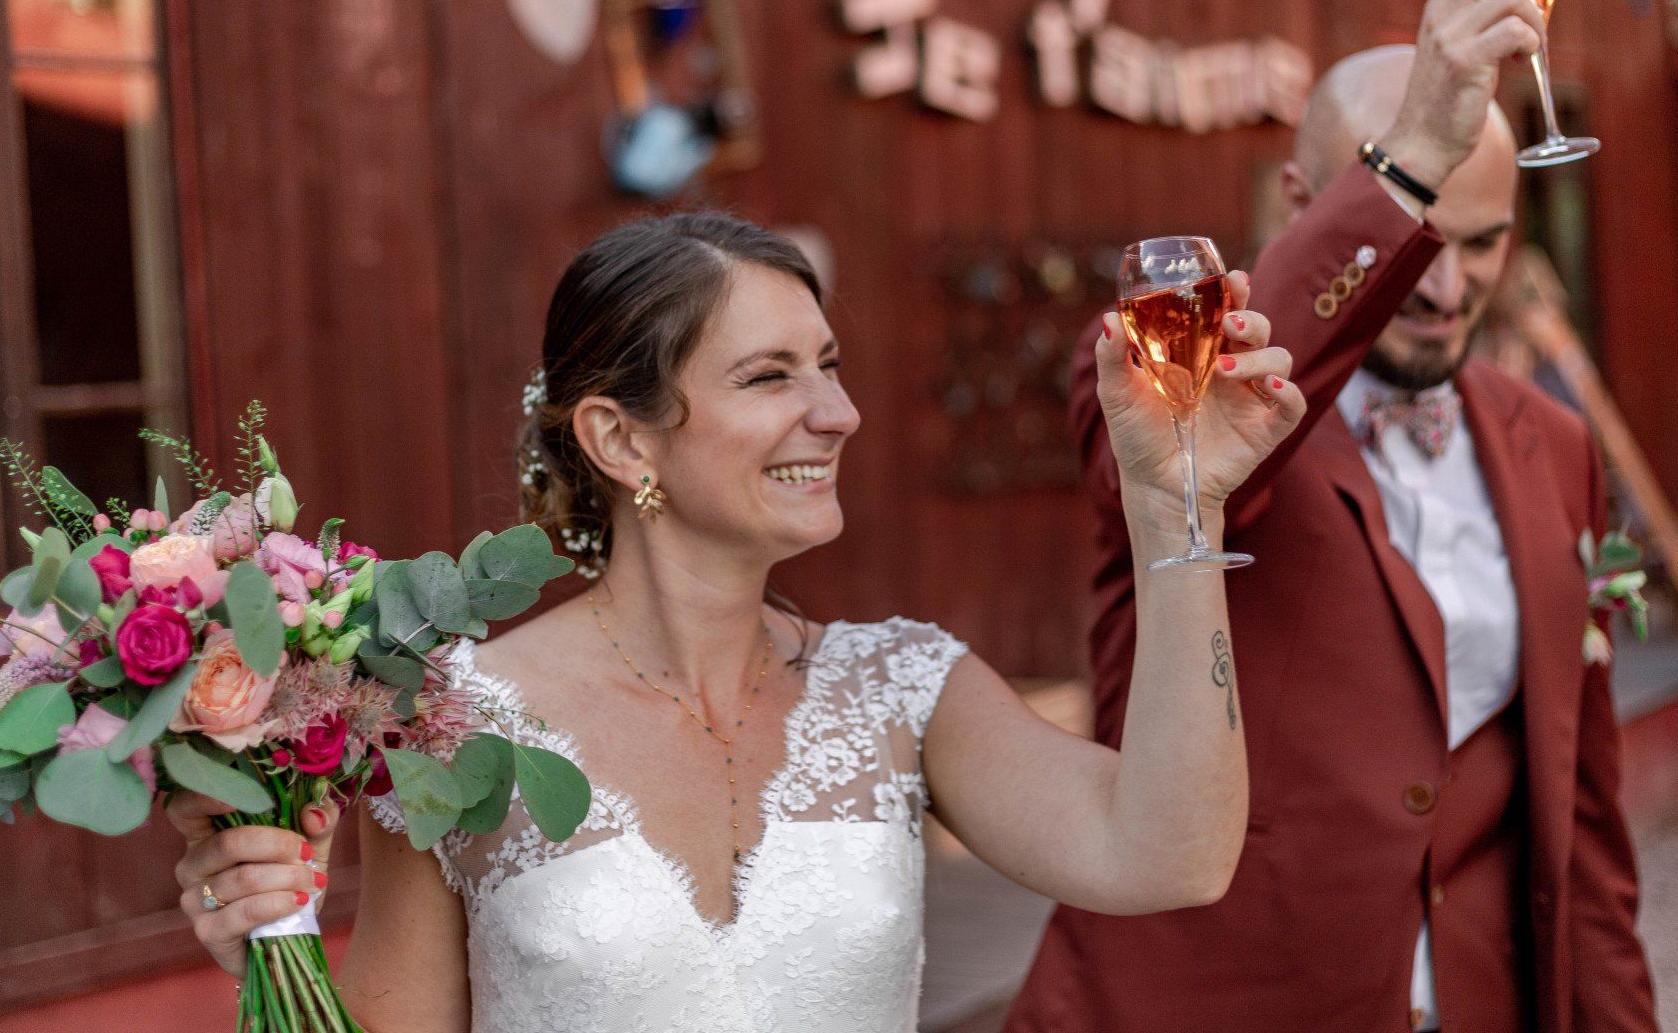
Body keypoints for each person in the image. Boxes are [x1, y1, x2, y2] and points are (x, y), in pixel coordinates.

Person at [166, 210, 1307, 1030]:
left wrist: (1177, 506)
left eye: (830, 364)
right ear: (621, 439)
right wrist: (272, 951)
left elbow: (1174, 855)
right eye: (771, 376)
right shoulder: (448, 723)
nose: (839, 411)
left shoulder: (907, 686)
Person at [1008, 0, 1658, 1033]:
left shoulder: (1551, 439)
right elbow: (1191, 449)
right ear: (1314, 207)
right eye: (1426, 236)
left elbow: (1578, 808)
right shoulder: (1164, 386)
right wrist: (1412, 152)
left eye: (1488, 240)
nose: (1449, 288)